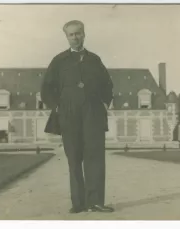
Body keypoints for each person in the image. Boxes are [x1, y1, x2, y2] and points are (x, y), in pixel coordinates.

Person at [41, 20, 114, 213]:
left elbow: (108, 85)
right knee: (74, 158)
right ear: (66, 37)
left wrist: (104, 104)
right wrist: (57, 107)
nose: (75, 37)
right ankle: (78, 204)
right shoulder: (59, 61)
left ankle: (96, 202)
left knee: (95, 157)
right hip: (69, 114)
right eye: (71, 34)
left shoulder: (94, 60)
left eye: (78, 33)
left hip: (93, 114)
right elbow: (46, 88)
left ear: (84, 34)